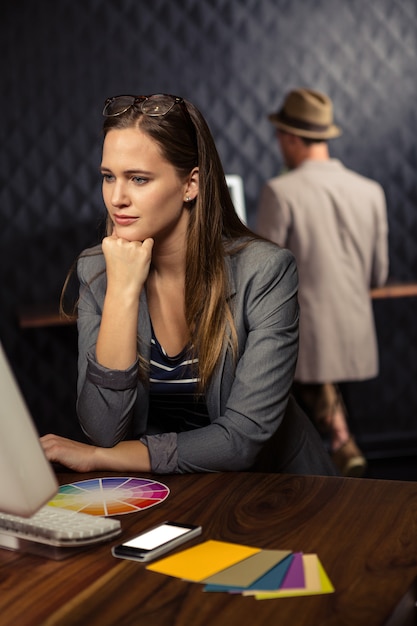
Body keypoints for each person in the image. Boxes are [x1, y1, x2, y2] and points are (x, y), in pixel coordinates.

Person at [41, 92, 336, 476]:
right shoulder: (98, 270)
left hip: (277, 491)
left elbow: (241, 440)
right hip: (177, 494)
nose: (116, 198)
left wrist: (101, 459)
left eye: (139, 179)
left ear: (190, 185)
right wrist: (123, 292)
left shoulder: (265, 272)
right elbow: (103, 428)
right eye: (108, 177)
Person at [256, 88, 389, 477]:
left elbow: (264, 278)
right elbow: (378, 275)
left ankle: (336, 447)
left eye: (280, 136)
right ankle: (344, 441)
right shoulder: (371, 191)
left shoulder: (279, 191)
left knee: (304, 460)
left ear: (292, 138)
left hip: (305, 347)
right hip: (355, 340)